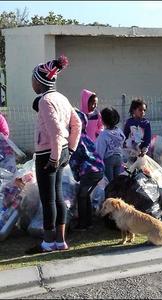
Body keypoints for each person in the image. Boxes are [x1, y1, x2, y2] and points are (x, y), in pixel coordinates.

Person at [27, 55, 82, 254]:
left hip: (49, 154)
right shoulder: (62, 98)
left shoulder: (45, 101)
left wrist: (53, 158)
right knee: (58, 197)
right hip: (64, 151)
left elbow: (57, 131)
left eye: (33, 79)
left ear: (39, 81)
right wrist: (72, 149)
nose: (32, 82)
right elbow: (77, 124)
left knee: (48, 199)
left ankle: (48, 242)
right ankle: (60, 241)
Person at [69, 110, 104, 231]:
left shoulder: (75, 139)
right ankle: (88, 222)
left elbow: (74, 160)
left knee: (81, 196)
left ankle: (83, 224)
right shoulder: (85, 137)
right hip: (98, 169)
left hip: (89, 170)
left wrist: (75, 175)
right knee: (85, 195)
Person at [95, 107, 125, 182]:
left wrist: (98, 164)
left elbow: (100, 151)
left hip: (108, 160)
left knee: (109, 182)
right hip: (119, 158)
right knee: (117, 181)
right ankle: (117, 192)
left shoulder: (103, 135)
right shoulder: (119, 131)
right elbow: (123, 138)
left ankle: (110, 193)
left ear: (104, 121)